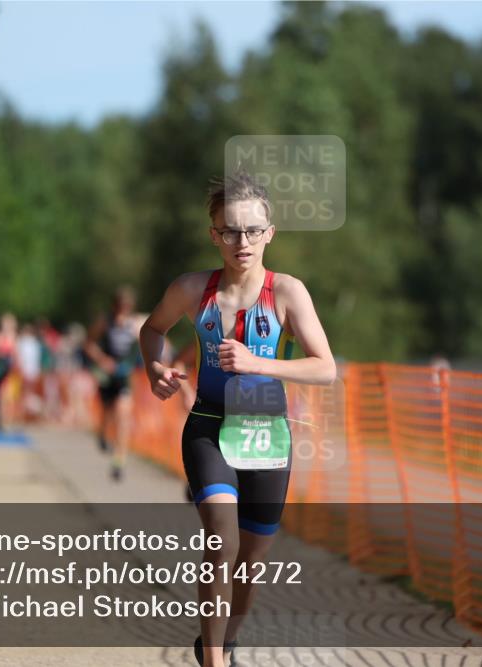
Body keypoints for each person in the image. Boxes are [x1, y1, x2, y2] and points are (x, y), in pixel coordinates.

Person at [139, 168, 336, 667]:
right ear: (214, 235)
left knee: (249, 564)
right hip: (207, 425)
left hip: (265, 433)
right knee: (220, 537)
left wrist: (257, 363)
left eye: (252, 230)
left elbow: (325, 368)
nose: (241, 241)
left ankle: (223, 641)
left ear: (270, 233)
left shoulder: (288, 292)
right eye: (230, 230)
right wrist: (154, 367)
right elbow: (151, 329)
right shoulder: (190, 290)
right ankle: (214, 661)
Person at [85, 286, 141, 481]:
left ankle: (119, 459)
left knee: (123, 414)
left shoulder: (133, 324)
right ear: (114, 305)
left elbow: (151, 338)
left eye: (126, 307)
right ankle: (102, 434)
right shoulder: (105, 322)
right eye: (119, 306)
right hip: (107, 374)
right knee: (107, 411)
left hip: (123, 375)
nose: (122, 310)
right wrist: (102, 360)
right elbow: (88, 343)